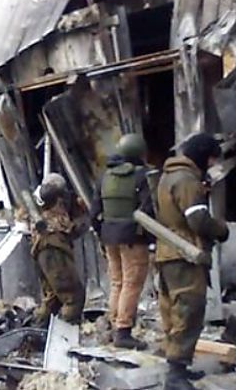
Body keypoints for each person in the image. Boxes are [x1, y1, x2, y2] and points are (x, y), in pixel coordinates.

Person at [156, 133, 229, 390]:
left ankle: (177, 366)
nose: (213, 165)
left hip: (168, 251)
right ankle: (175, 374)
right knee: (189, 309)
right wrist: (221, 230)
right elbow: (198, 220)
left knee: (173, 309)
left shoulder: (168, 175)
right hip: (185, 253)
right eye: (212, 159)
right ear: (204, 157)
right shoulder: (187, 180)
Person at [90, 133, 153, 350]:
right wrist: (151, 240)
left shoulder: (104, 177)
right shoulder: (142, 176)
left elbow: (94, 212)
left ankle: (114, 325)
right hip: (133, 237)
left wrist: (102, 233)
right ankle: (123, 331)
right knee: (131, 283)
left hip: (109, 236)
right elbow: (148, 210)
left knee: (117, 282)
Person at [30, 173, 86, 327]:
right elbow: (72, 229)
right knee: (73, 297)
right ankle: (66, 332)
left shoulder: (40, 211)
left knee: (53, 298)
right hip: (54, 251)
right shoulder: (56, 216)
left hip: (43, 251)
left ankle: (38, 329)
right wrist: (84, 213)